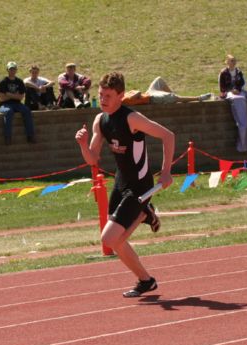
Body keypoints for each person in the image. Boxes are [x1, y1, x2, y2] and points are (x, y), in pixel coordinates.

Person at [75, 71, 175, 297]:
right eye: (100, 95)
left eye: (108, 96)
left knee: (109, 239)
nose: (103, 100)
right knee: (116, 242)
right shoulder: (100, 120)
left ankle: (144, 213)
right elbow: (93, 159)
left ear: (121, 96)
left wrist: (166, 172)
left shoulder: (132, 118)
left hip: (140, 185)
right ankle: (146, 280)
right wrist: (82, 144)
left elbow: (168, 136)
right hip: (121, 183)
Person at [218, 54, 247, 152]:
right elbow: (222, 87)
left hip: (239, 92)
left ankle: (243, 144)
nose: (233, 62)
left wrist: (237, 89)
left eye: (234, 60)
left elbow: (241, 84)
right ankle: (242, 144)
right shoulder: (223, 73)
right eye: (231, 60)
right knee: (238, 99)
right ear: (227, 62)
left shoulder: (239, 72)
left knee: (243, 97)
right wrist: (232, 90)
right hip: (229, 93)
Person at [0, 61, 35, 144]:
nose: (12, 71)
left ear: (16, 70)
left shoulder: (19, 82)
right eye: (10, 69)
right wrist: (15, 95)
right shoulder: (3, 82)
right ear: (7, 70)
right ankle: (8, 137)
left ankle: (30, 135)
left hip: (17, 104)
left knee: (27, 110)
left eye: (14, 69)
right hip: (5, 105)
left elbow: (21, 97)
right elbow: (2, 99)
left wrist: (8, 94)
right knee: (9, 112)